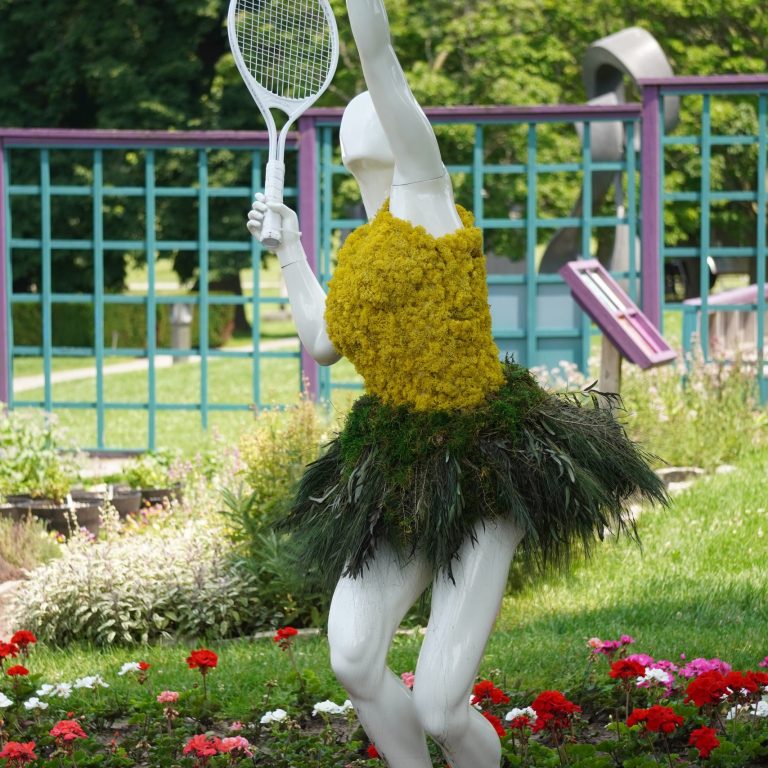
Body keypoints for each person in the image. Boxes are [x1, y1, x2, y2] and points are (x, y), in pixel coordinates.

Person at [247, 2, 666, 766]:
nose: (365, 111)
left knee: (442, 702)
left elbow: (377, 55)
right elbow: (322, 340)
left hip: (482, 457)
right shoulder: (361, 249)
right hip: (392, 460)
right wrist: (290, 247)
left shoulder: (428, 197)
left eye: (378, 107)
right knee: (351, 656)